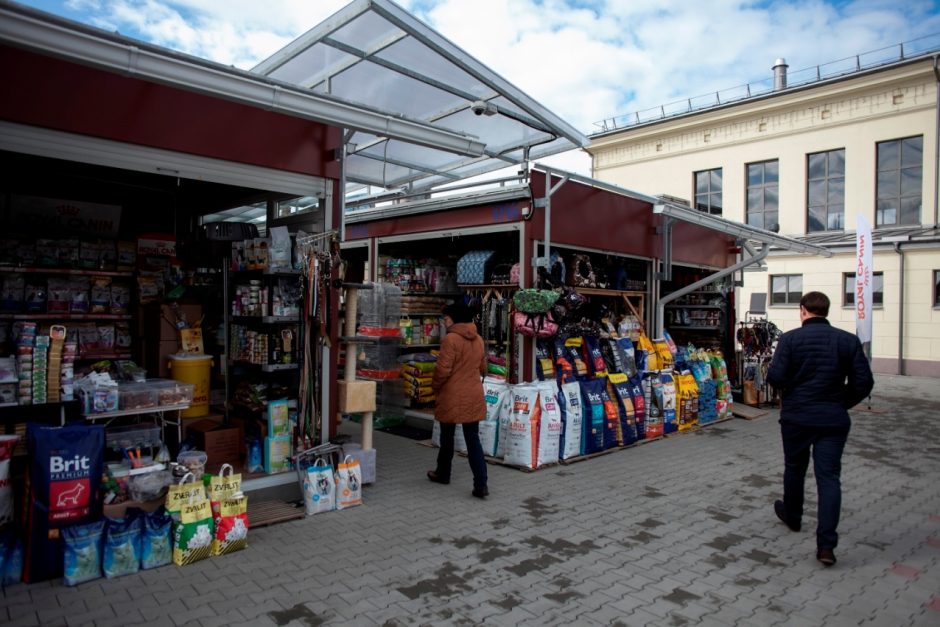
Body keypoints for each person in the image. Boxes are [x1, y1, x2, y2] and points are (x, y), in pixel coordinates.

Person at [767, 291, 874, 566]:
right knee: (829, 479)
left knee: (795, 468)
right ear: (826, 311)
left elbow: (776, 376)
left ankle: (793, 516)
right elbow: (864, 382)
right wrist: (841, 402)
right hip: (832, 420)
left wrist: (792, 391)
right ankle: (826, 546)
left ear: (803, 310)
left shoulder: (789, 339)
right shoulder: (848, 341)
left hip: (797, 418)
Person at [426, 302, 489, 498]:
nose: (443, 322)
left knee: (447, 437)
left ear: (454, 318)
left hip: (452, 394)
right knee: (473, 440)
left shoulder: (450, 339)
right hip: (473, 393)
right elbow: (483, 368)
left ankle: (443, 473)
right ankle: (481, 484)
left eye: (445, 318)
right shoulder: (478, 339)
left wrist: (434, 386)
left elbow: (443, 370)